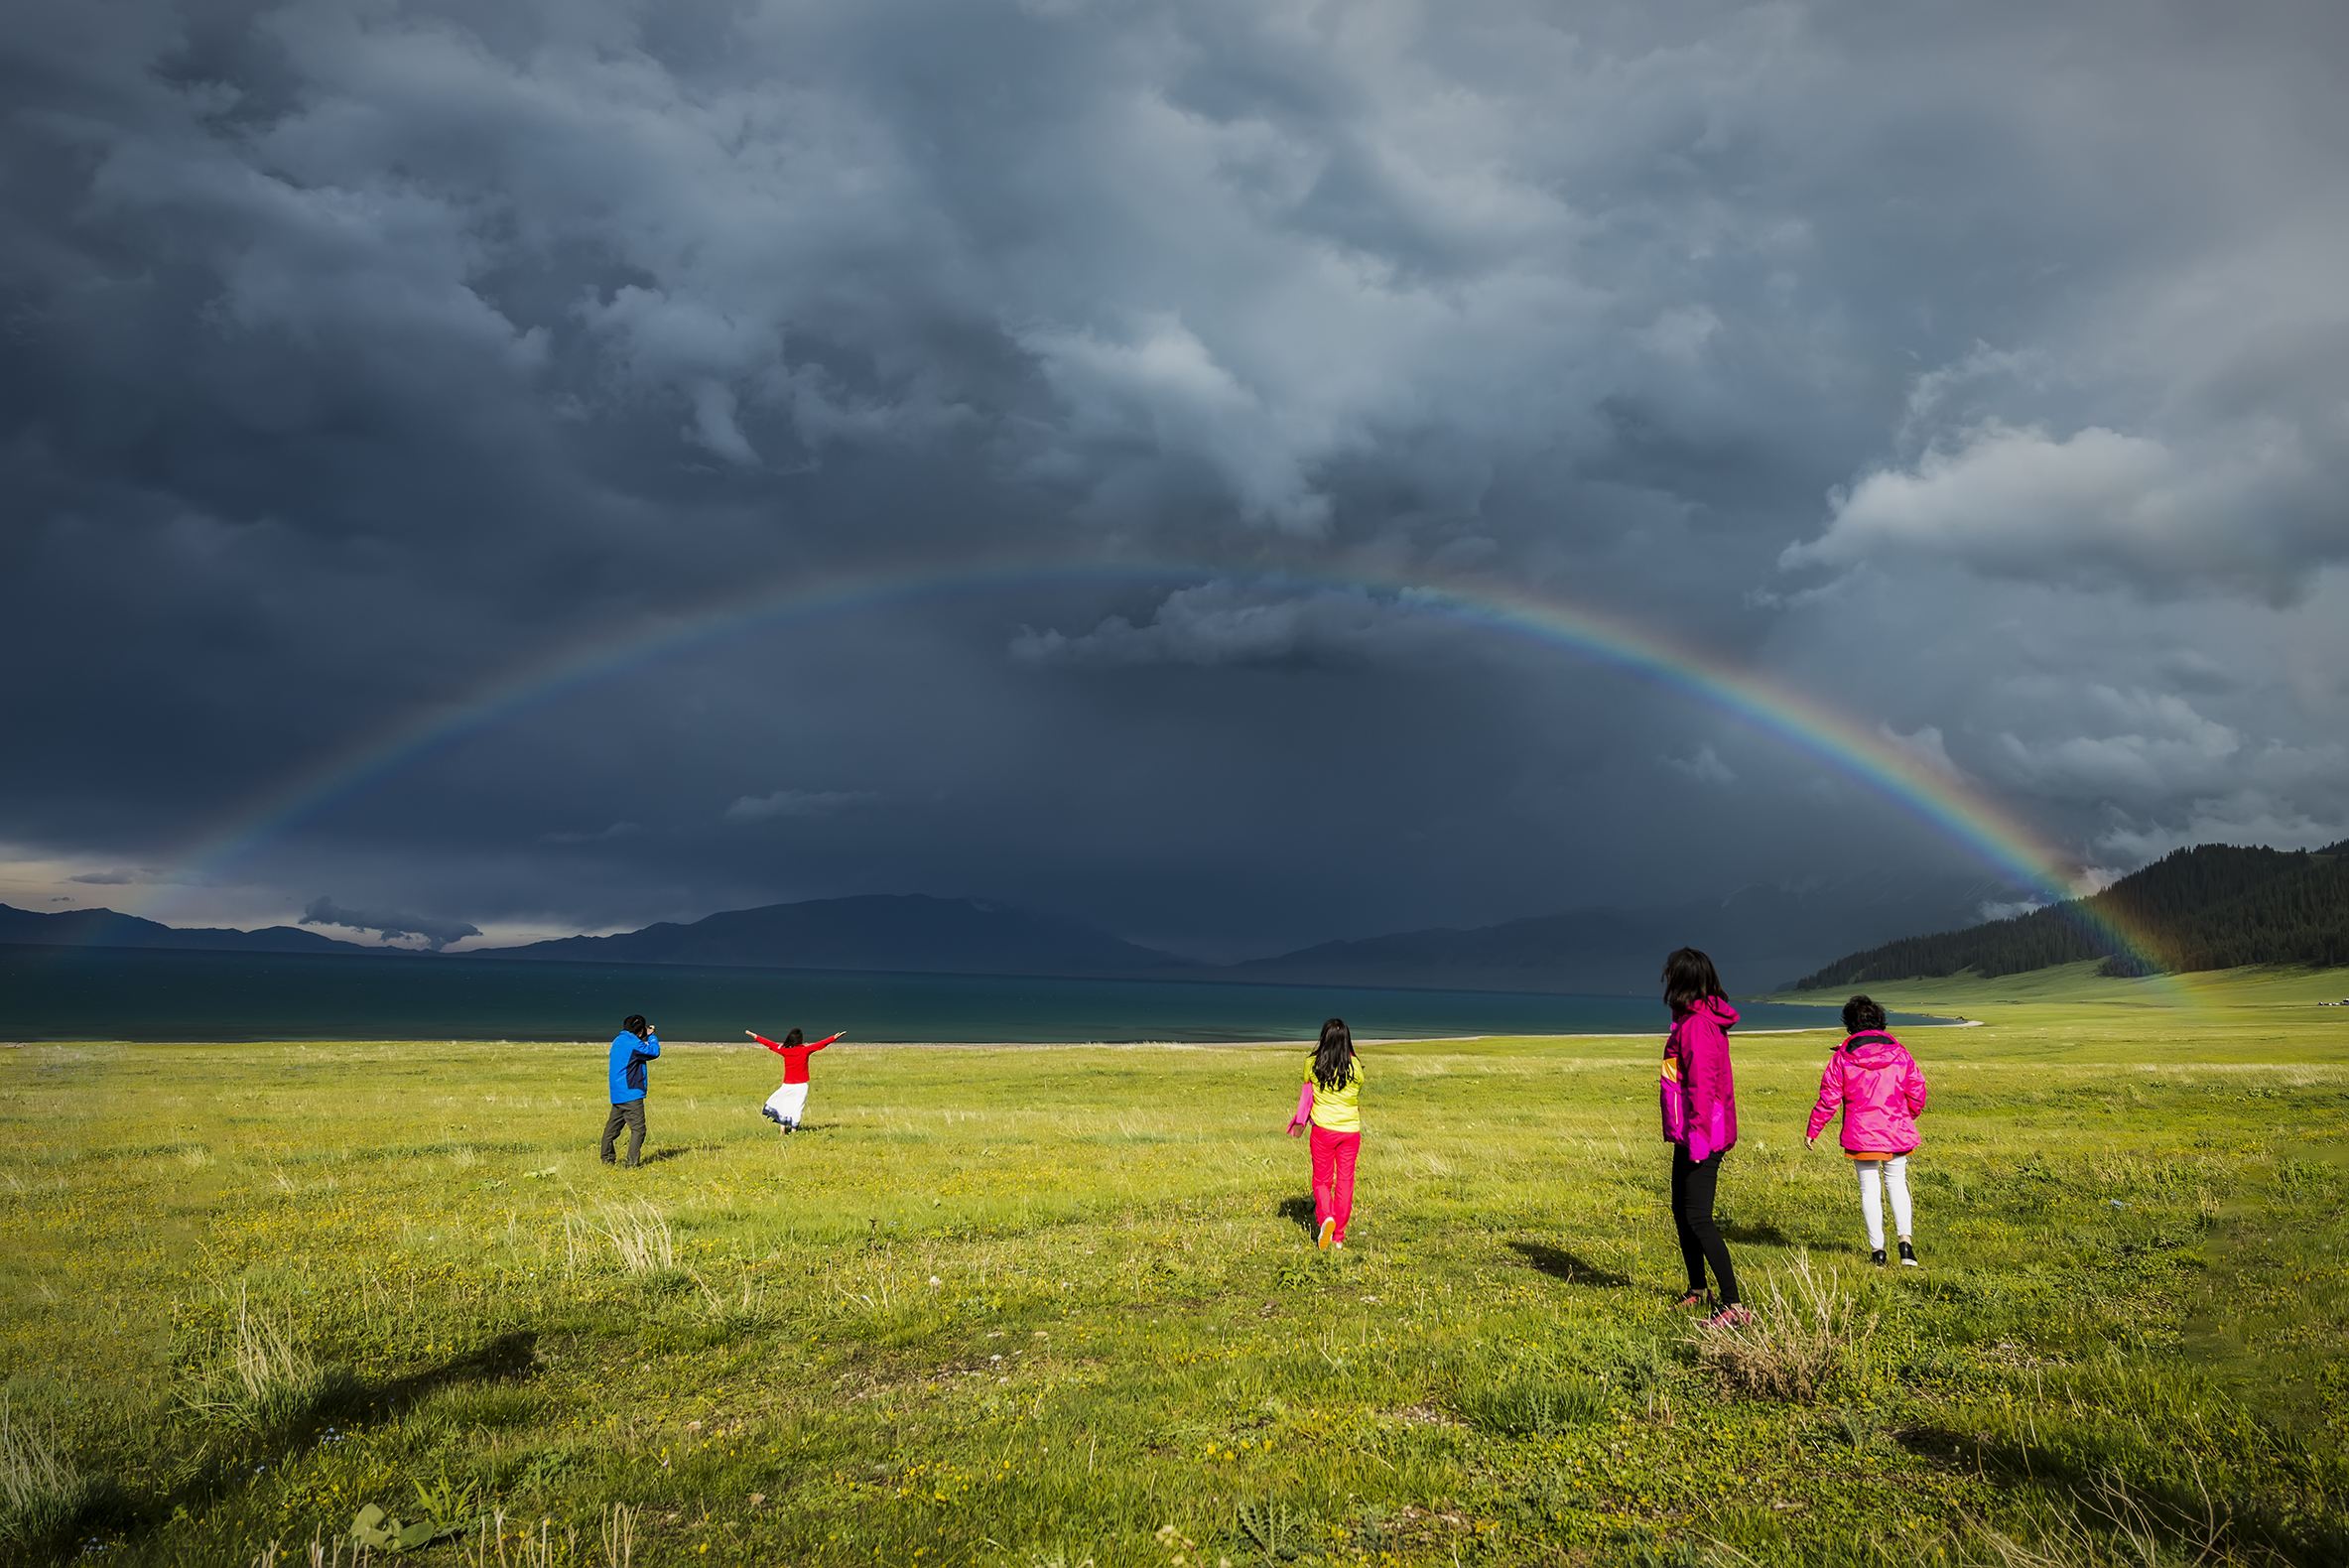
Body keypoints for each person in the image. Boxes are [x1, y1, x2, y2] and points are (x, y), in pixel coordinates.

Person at [1806, 994, 1929, 1267]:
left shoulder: (1842, 1057)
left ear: (1850, 1025)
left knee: (1869, 1190)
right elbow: (1917, 1089)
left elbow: (1829, 1098)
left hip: (1862, 1134)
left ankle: (1878, 1252)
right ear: (1881, 1022)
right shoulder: (1900, 1052)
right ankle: (1906, 1246)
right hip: (1897, 1129)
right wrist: (1910, 1114)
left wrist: (1813, 1129)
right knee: (1898, 1184)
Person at [1659, 948, 1747, 1326]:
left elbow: (1703, 1086)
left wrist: (1697, 1139)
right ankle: (1698, 1290)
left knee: (1699, 1217)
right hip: (1692, 1133)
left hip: (1703, 1135)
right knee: (1682, 1211)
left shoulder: (1697, 1025)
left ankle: (1733, 1305)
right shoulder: (1691, 1020)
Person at [1286, 1017, 1362, 1251]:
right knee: (1346, 1181)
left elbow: (1307, 1093)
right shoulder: (1356, 1067)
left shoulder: (1312, 1064)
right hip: (1350, 1131)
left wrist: (1299, 1121)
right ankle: (1338, 1236)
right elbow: (1357, 1088)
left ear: (1323, 1038)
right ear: (1347, 1040)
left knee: (1321, 1181)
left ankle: (1326, 1218)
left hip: (1323, 1131)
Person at [745, 1026, 844, 1133]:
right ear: (800, 1039)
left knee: (784, 1105)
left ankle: (782, 1131)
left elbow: (770, 1044)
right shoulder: (805, 1050)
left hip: (787, 1085)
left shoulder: (785, 1050)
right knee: (797, 1108)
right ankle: (793, 1131)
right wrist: (834, 1038)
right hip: (801, 1086)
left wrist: (754, 1036)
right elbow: (820, 1044)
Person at [600, 1014, 661, 1168]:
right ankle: (632, 1164)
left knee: (611, 1130)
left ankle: (607, 1160)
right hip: (631, 1093)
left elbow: (634, 1049)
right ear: (640, 1031)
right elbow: (653, 1052)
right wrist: (652, 1036)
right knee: (638, 1130)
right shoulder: (635, 1043)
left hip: (618, 1094)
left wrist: (642, 1036)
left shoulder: (619, 1041)